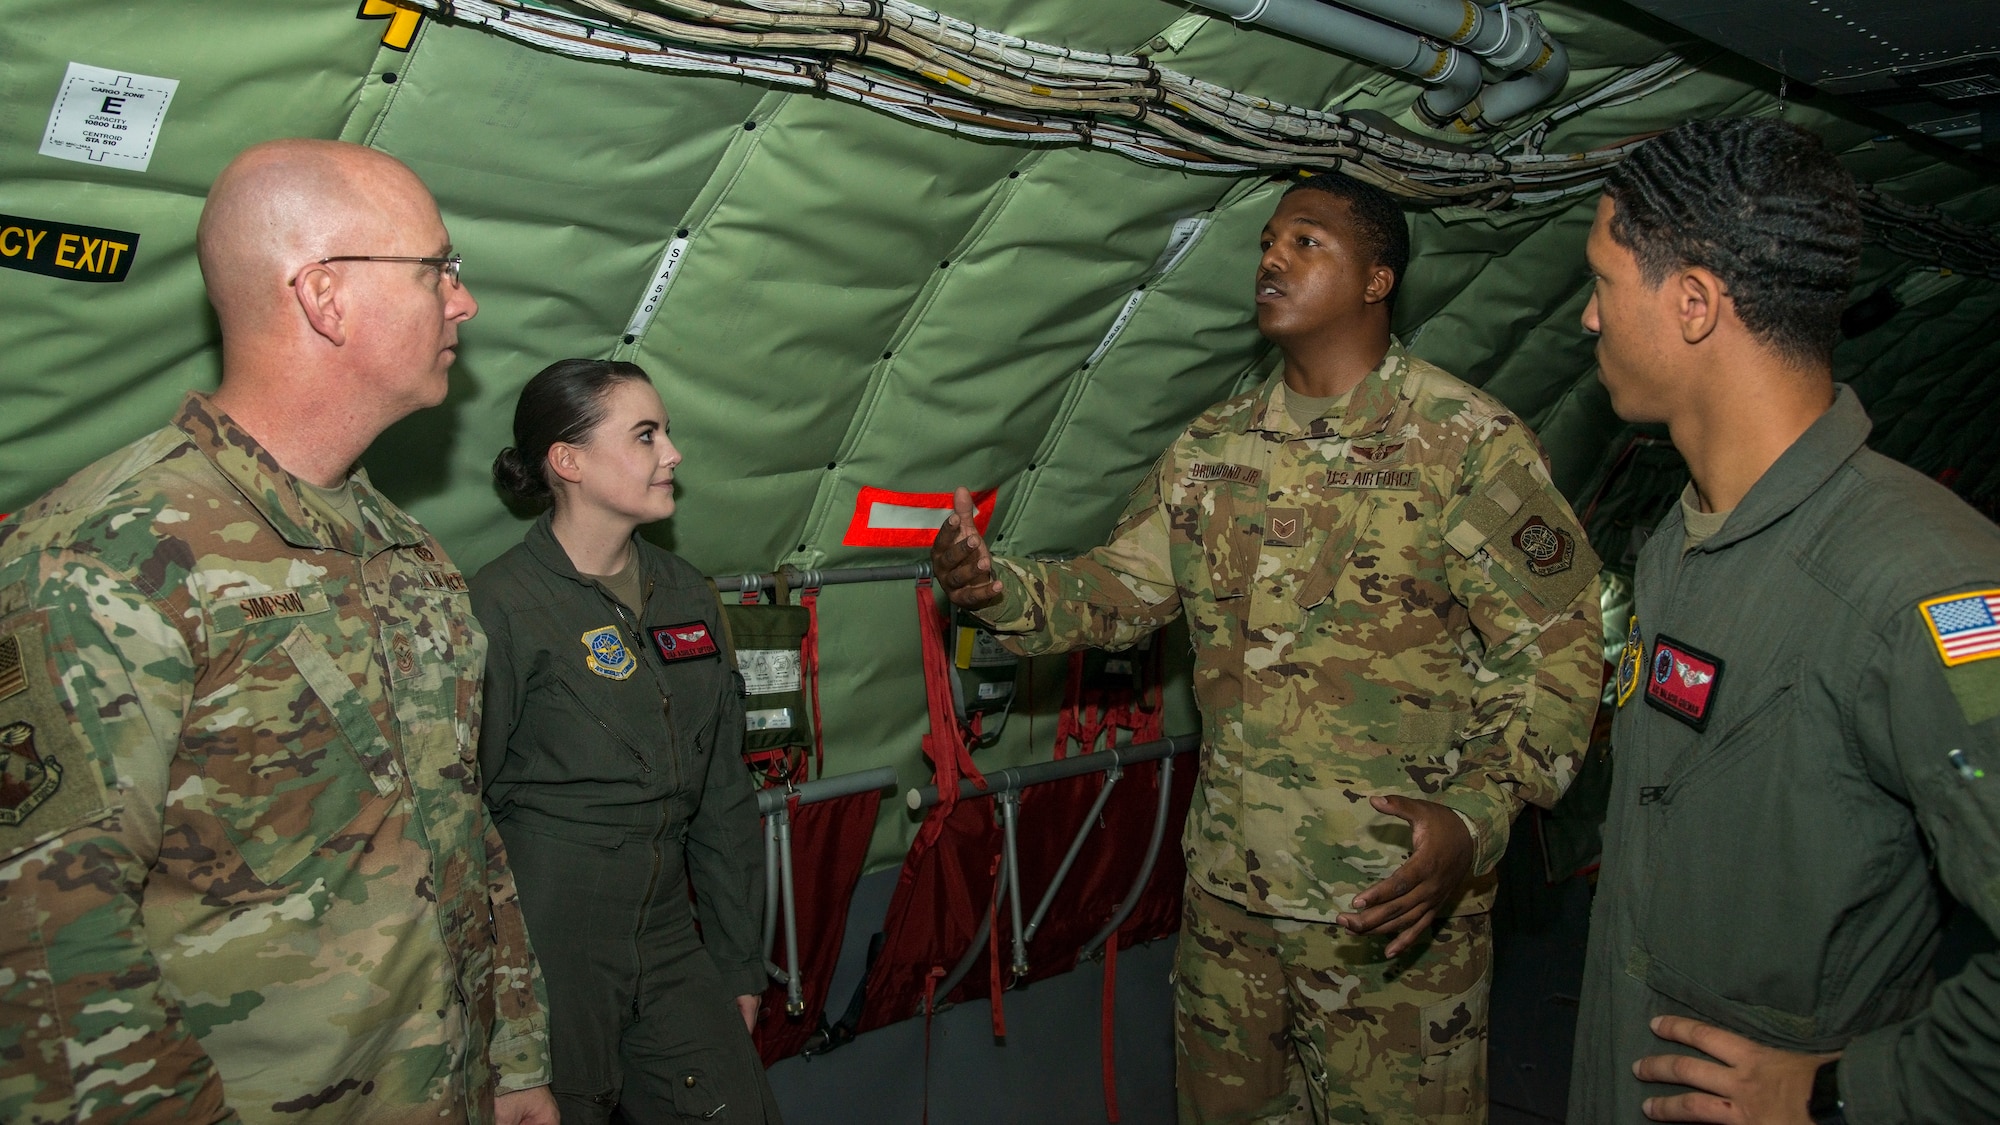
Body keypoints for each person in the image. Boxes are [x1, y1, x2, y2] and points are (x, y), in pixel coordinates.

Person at [932, 172, 1605, 1123]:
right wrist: (998, 589)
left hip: (1392, 910)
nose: (1271, 259)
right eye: (1265, 243)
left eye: (1306, 241)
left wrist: (1476, 815)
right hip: (1232, 902)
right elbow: (1116, 591)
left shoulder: (1463, 443)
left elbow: (1559, 646)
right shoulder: (1213, 447)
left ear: (1378, 280)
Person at [0, 139, 555, 1124]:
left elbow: (458, 824)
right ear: (325, 295)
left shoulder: (407, 556)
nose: (462, 302)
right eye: (437, 270)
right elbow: (48, 943)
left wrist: (512, 1059)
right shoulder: (104, 559)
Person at [1567, 117, 2000, 1124]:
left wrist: (1850, 1093)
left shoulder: (1927, 590)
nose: (1586, 321)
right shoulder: (1681, 541)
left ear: (1689, 305)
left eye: (1599, 282)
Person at [475, 358, 778, 1124]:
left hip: (668, 928)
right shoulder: (501, 607)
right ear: (567, 461)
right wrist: (499, 1019)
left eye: (666, 432)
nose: (672, 453)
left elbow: (722, 791)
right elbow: (457, 817)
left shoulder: (688, 593)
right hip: (551, 938)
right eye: (646, 435)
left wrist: (740, 958)